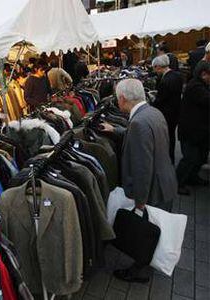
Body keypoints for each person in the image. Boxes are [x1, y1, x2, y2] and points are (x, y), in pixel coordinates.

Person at [101, 79, 178, 282]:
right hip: (165, 179)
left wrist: (140, 201)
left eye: (118, 99)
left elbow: (143, 167)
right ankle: (145, 264)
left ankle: (140, 271)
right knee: (152, 229)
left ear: (123, 99)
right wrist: (115, 130)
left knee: (146, 231)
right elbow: (144, 139)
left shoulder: (138, 123)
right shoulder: (153, 112)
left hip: (153, 188)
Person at [176, 62, 210, 195]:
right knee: (190, 158)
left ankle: (192, 177)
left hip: (198, 130)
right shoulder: (195, 86)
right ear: (203, 74)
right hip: (191, 131)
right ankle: (178, 183)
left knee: (199, 157)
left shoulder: (200, 85)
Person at [151, 54, 184, 164]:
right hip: (176, 112)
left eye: (154, 68)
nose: (155, 72)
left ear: (158, 67)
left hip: (167, 114)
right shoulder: (177, 76)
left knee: (167, 138)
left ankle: (168, 160)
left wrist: (151, 105)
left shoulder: (165, 81)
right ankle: (171, 159)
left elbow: (160, 100)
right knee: (171, 137)